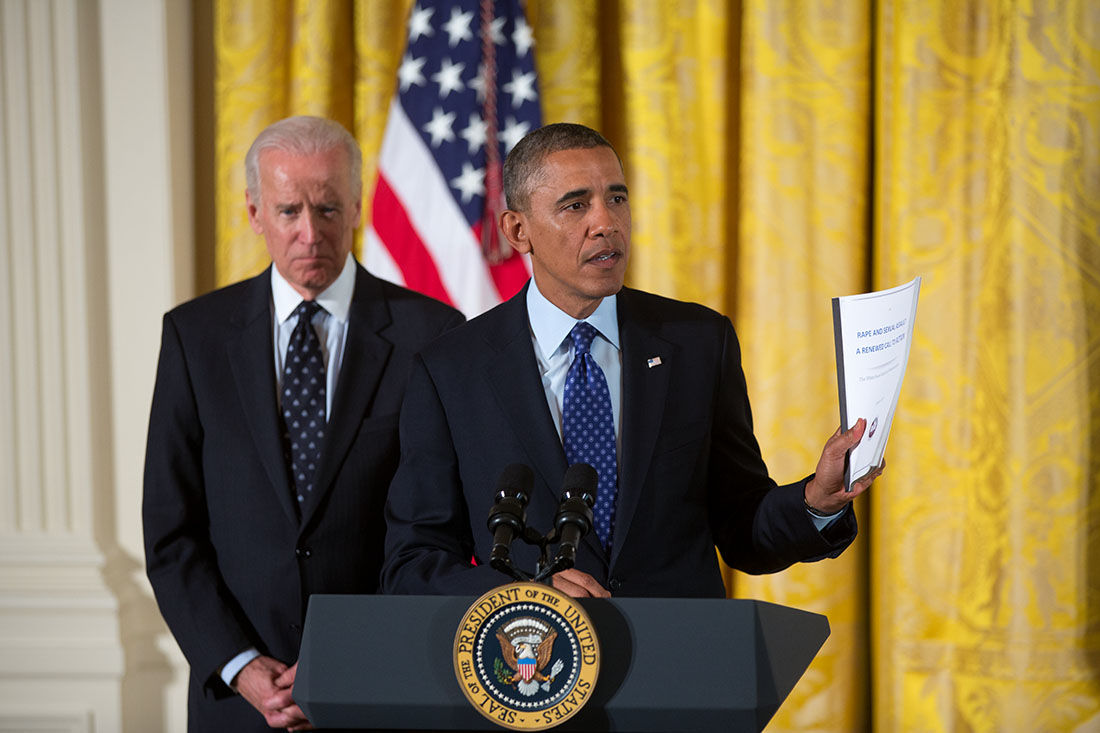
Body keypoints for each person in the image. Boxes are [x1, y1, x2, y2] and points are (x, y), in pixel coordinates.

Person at [381, 123, 882, 599]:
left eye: (616, 198)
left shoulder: (698, 343)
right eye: (576, 205)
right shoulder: (451, 370)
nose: (606, 223)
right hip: (532, 664)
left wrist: (815, 500)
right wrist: (520, 595)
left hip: (679, 670)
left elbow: (742, 526)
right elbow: (414, 563)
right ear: (518, 231)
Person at [143, 116, 464, 731]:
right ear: (254, 212)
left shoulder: (434, 335)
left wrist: (354, 664)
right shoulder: (194, 336)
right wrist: (239, 664)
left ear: (357, 208)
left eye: (327, 208)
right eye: (289, 210)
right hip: (238, 702)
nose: (309, 233)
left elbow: (441, 531)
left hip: (385, 691)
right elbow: (171, 534)